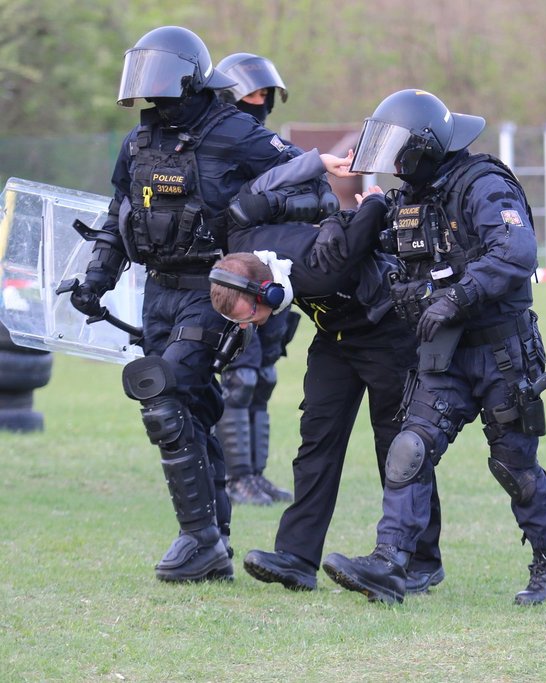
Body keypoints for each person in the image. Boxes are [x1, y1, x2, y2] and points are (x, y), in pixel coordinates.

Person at [67, 25, 324, 582]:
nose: (153, 98)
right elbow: (118, 215)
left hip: (216, 290)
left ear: (188, 78)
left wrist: (249, 213)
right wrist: (96, 279)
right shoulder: (138, 144)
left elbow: (314, 189)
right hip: (157, 292)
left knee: (166, 396)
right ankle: (210, 542)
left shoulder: (235, 132)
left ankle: (198, 538)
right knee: (187, 411)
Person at [319, 89, 546, 606]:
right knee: (409, 448)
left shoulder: (482, 184)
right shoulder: (411, 196)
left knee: (514, 467)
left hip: (501, 352)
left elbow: (516, 249)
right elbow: (387, 243)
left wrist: (459, 295)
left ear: (423, 146)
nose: (391, 164)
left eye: (398, 150)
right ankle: (391, 563)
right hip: (442, 354)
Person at [207, 151, 444, 593]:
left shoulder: (319, 266)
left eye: (251, 314)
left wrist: (372, 201)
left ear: (270, 289)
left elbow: (364, 226)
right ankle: (296, 557)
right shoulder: (238, 234)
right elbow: (261, 187)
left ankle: (420, 562)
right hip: (334, 336)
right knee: (316, 443)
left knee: (400, 449)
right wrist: (319, 162)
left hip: (387, 334)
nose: (250, 325)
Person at [211, 52, 298, 505]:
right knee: (240, 378)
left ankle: (256, 475)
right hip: (233, 277)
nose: (259, 102)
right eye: (250, 94)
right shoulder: (217, 148)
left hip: (272, 274)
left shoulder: (272, 147)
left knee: (263, 377)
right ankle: (235, 477)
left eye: (265, 95)